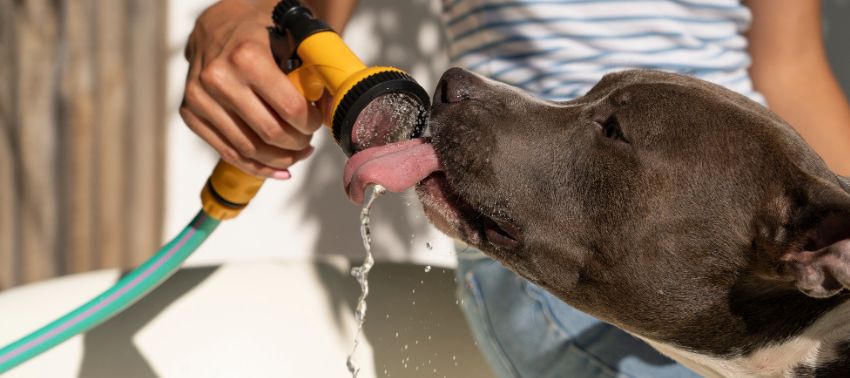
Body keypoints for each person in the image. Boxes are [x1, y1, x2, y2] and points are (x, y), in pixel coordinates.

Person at [182, 0, 850, 376]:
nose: (458, 84)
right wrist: (233, 23)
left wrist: (836, 238)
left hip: (741, 229)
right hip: (567, 247)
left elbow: (789, 71)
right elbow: (292, 11)